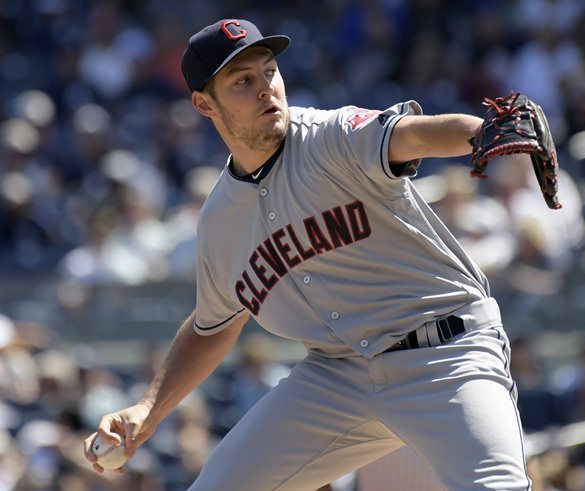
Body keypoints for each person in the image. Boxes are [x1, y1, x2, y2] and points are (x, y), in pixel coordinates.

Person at [83, 18, 531, 490]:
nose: (265, 88)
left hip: (446, 353)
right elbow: (212, 327)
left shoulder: (329, 136)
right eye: (242, 81)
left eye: (269, 71)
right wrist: (148, 409)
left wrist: (482, 132)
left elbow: (414, 135)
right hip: (336, 379)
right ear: (204, 104)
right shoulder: (220, 221)